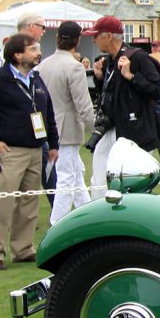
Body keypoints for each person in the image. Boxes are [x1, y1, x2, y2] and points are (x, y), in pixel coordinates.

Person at [0, 34, 59, 270]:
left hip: (35, 150)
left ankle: (23, 249)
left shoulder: (37, 79)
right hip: (9, 151)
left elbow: (47, 114)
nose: (38, 52)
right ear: (18, 55)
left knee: (29, 203)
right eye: (33, 49)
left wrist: (54, 144)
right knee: (4, 202)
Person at [87, 15, 160, 198]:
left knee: (133, 186)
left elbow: (158, 90)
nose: (93, 40)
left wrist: (131, 76)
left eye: (96, 35)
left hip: (134, 133)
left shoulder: (138, 58)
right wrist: (99, 79)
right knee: (99, 180)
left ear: (108, 36)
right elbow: (112, 94)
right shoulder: (109, 61)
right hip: (110, 129)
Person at [35, 21, 97, 224]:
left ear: (57, 39)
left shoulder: (43, 65)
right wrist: (96, 130)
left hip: (47, 128)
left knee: (76, 172)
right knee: (67, 178)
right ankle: (57, 223)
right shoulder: (74, 67)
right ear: (78, 40)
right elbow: (83, 104)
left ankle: (88, 216)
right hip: (66, 129)